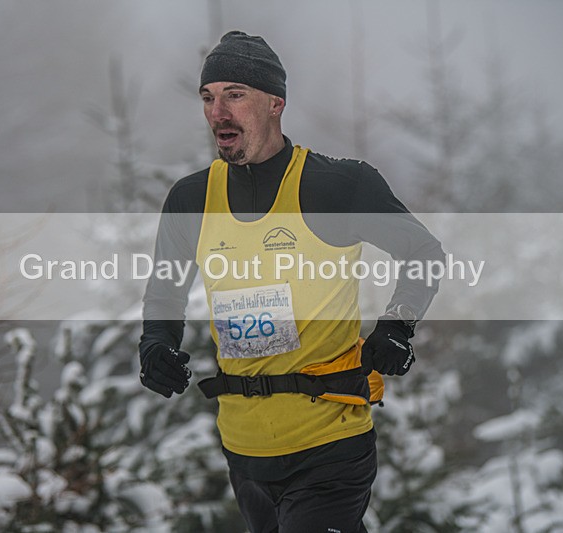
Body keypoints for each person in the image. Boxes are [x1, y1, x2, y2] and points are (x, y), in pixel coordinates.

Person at [139, 30, 444, 533]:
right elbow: (165, 288)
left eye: (235, 94)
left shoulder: (337, 186)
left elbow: (423, 253)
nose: (219, 112)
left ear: (276, 102)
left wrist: (396, 327)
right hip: (245, 454)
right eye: (208, 97)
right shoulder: (192, 198)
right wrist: (155, 343)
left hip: (330, 448)